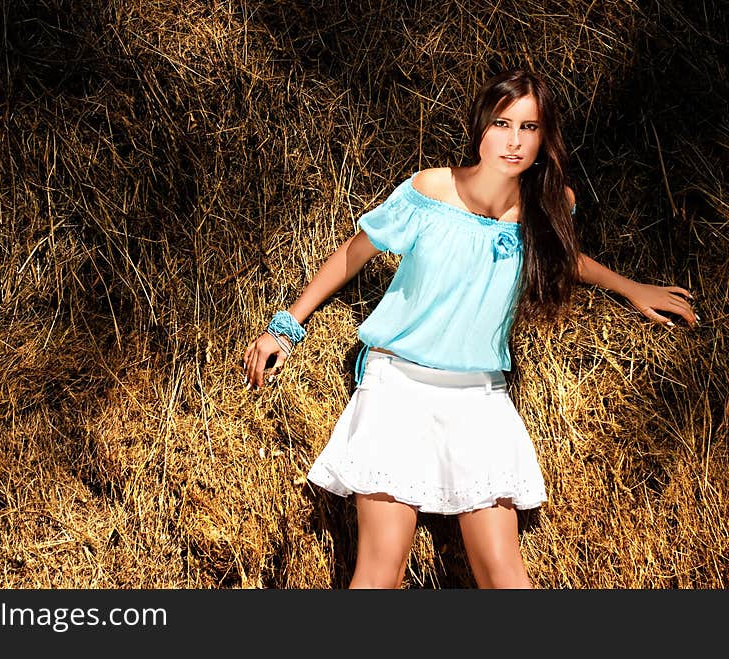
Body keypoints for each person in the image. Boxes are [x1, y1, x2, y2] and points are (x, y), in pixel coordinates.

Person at [242, 69, 697, 589]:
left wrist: (632, 288)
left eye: (530, 128)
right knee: (379, 570)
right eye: (503, 124)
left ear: (545, 140)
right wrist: (286, 326)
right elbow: (354, 252)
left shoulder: (550, 206)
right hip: (398, 387)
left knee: (504, 573)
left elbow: (569, 259)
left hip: (479, 396)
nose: (514, 140)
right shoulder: (431, 189)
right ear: (481, 126)